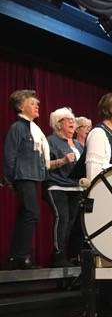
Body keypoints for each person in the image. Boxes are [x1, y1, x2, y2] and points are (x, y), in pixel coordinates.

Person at [3, 90, 49, 269]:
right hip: (23, 176)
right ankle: (21, 256)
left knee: (27, 214)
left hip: (32, 176)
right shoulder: (18, 127)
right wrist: (9, 180)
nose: (37, 106)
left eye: (37, 103)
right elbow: (10, 154)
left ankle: (16, 257)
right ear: (21, 107)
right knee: (31, 214)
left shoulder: (33, 129)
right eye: (32, 103)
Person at [46, 107, 83, 267]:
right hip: (58, 187)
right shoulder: (50, 141)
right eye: (68, 120)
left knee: (72, 223)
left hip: (76, 188)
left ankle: (69, 256)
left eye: (73, 120)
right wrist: (63, 161)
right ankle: (58, 256)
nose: (72, 122)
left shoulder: (78, 144)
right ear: (58, 123)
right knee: (62, 220)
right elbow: (44, 165)